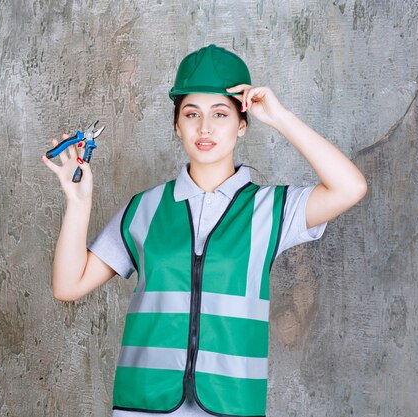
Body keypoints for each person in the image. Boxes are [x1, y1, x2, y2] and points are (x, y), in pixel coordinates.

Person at [41, 44, 367, 417]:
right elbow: (68, 286)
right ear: (177, 124)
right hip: (144, 406)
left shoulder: (272, 209)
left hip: (231, 406)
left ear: (243, 124)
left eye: (221, 113)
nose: (205, 127)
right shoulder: (144, 208)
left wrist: (279, 117)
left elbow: (350, 188)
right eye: (192, 113)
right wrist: (78, 202)